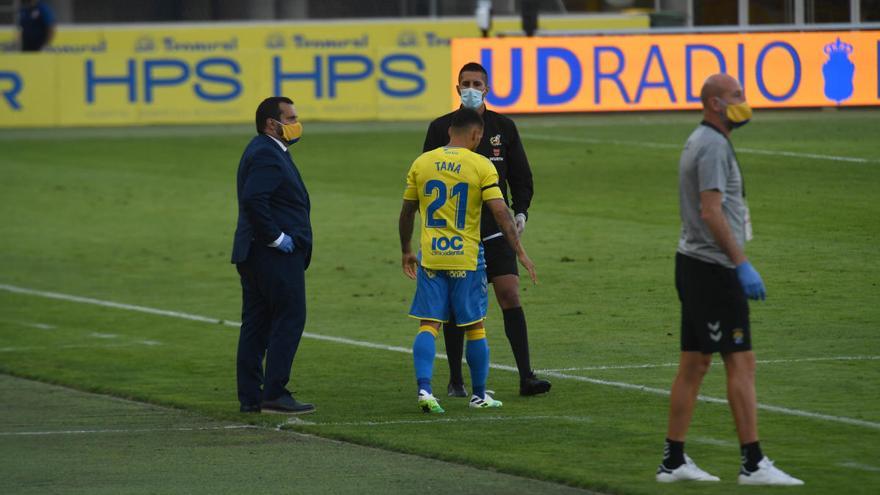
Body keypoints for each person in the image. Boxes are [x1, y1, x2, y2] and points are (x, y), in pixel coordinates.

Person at [656, 73, 803, 486]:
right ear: (716, 104)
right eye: (736, 95)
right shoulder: (713, 145)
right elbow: (711, 211)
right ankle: (753, 463)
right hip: (713, 270)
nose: (744, 100)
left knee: (694, 364)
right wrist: (740, 263)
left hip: (695, 264)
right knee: (740, 361)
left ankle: (673, 461)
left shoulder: (702, 141)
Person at [423, 62, 550, 398]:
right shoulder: (440, 128)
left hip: (496, 229)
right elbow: (426, 178)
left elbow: (522, 176)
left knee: (509, 293)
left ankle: (526, 376)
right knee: (455, 306)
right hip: (457, 233)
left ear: (487, 88)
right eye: (465, 83)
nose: (470, 87)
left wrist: (521, 213)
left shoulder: (503, 127)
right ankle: (455, 380)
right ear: (457, 88)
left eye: (476, 83)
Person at [400, 108, 537, 414]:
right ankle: (478, 394)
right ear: (476, 135)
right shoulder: (481, 164)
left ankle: (425, 389)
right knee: (474, 326)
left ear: (450, 131)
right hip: (466, 257)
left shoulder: (423, 163)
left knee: (429, 324)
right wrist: (521, 252)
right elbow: (501, 213)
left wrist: (406, 250)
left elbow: (407, 211)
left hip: (432, 256)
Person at [231, 96, 314, 415]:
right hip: (272, 256)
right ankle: (275, 393)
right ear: (271, 123)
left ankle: (251, 396)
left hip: (253, 254)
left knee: (256, 323)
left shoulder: (264, 149)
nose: (296, 124)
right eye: (290, 118)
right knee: (289, 317)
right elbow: (255, 199)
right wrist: (277, 238)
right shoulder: (267, 153)